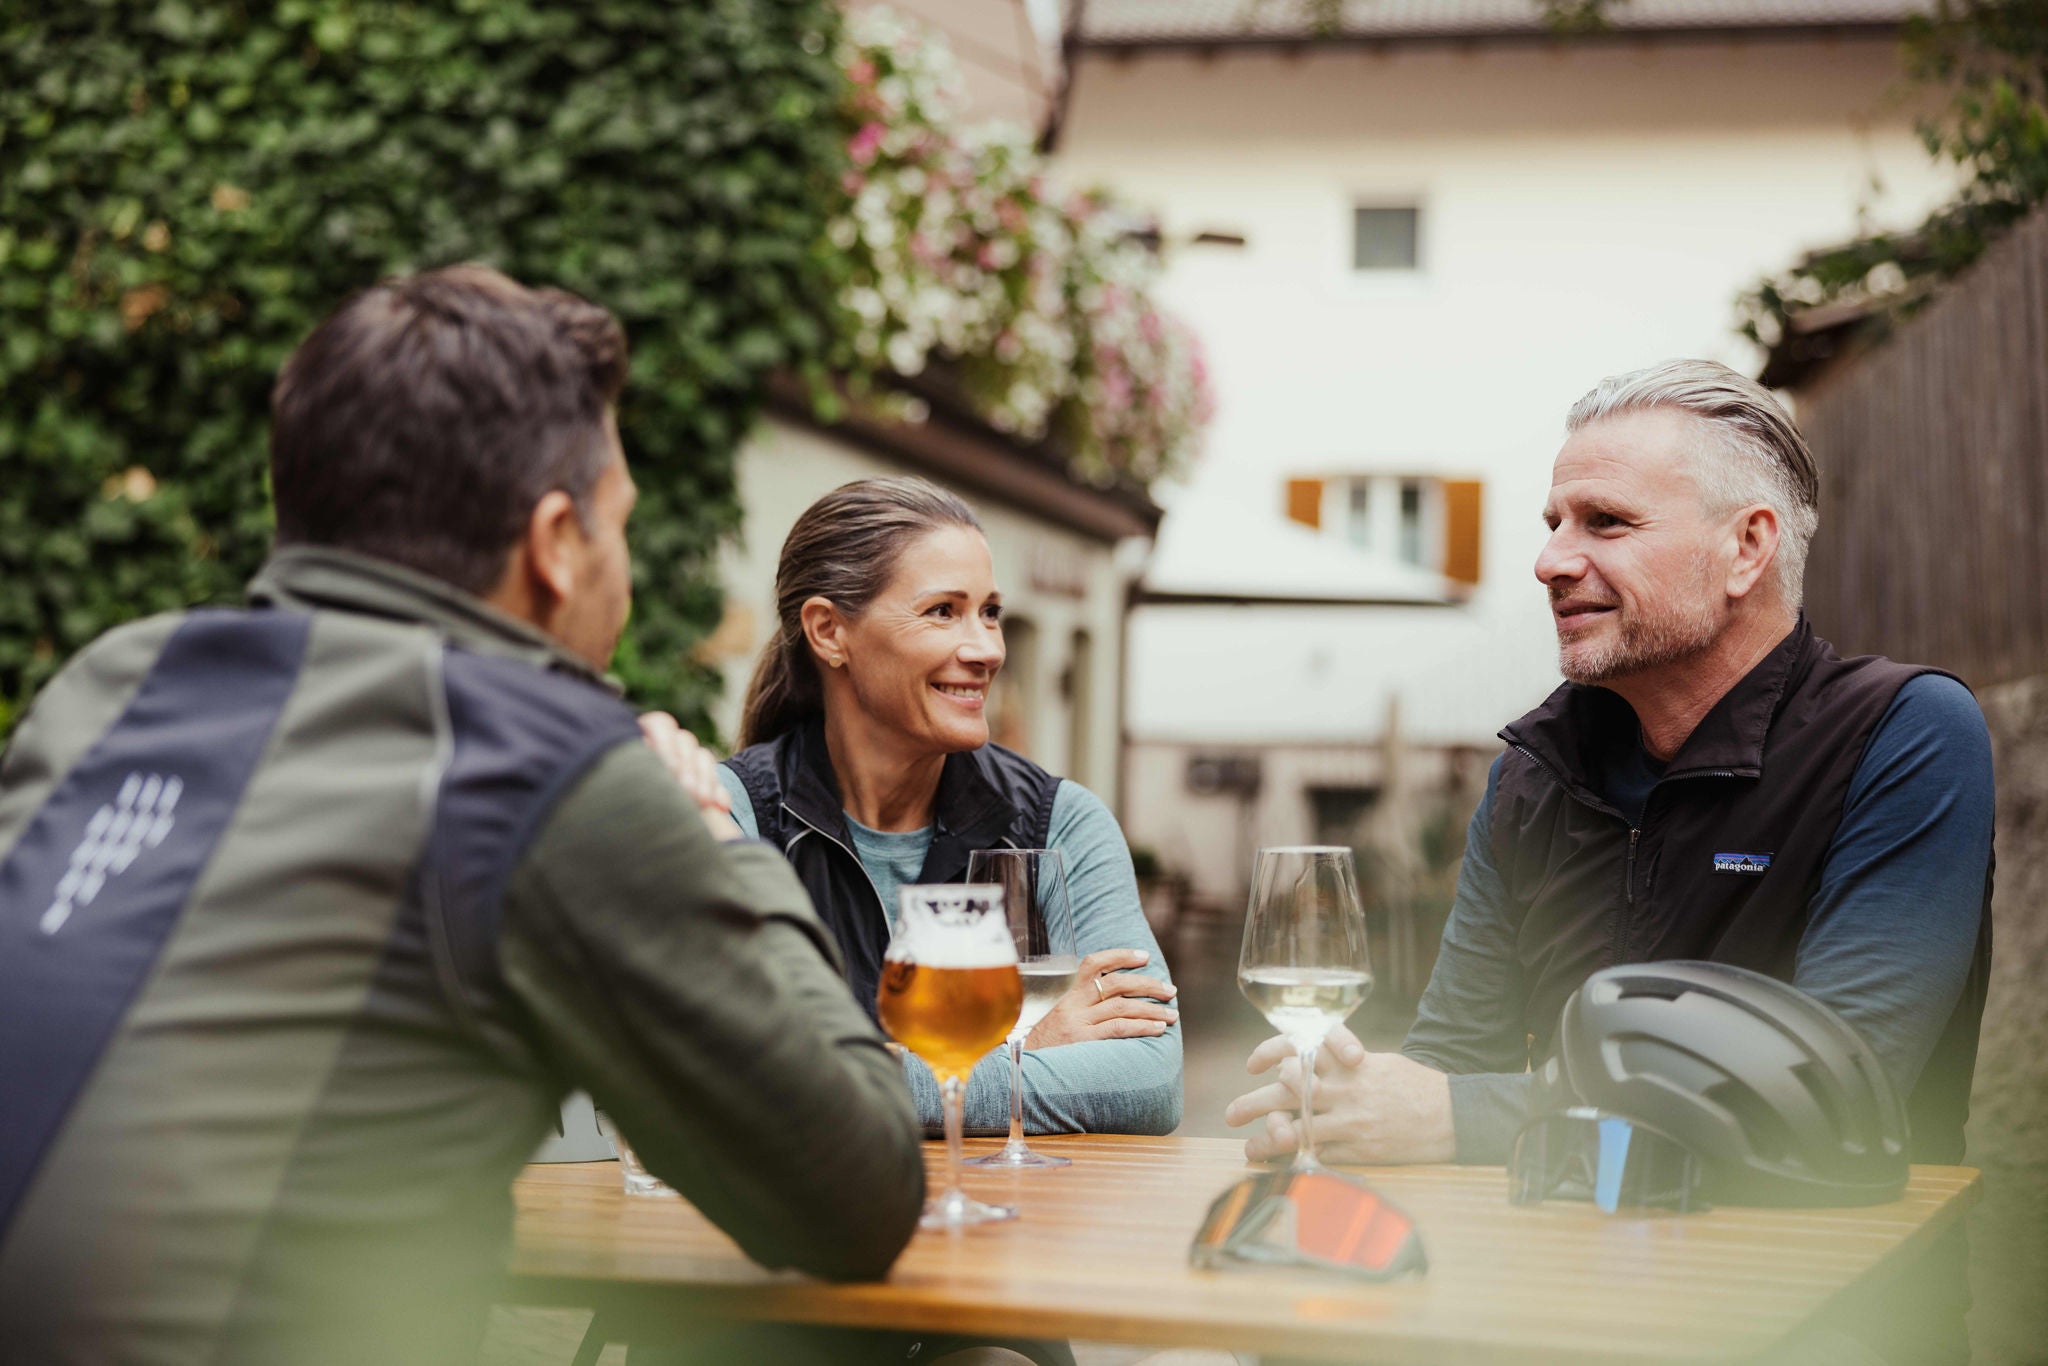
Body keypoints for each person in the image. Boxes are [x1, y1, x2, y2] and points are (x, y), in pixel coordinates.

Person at [0, 265, 925, 1366]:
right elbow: (857, 1191)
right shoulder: (537, 767)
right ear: (552, 543)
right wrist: (713, 835)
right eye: (617, 524)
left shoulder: (113, 688)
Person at [1226, 359, 1993, 1361]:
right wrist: (1352, 1100)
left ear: (1744, 547)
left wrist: (1455, 1116)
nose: (1549, 559)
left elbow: (1834, 1097)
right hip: (1546, 1305)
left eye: (1604, 522)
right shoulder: (1531, 775)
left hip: (1818, 1315)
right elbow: (1457, 1057)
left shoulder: (1902, 734)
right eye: (1551, 522)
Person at [720, 476, 1183, 1139]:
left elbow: (1150, 1079)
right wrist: (1024, 1047)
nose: (988, 649)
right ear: (829, 632)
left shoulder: (1060, 823)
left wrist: (860, 1077)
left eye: (989, 612)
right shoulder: (735, 815)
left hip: (1006, 1233)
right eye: (944, 611)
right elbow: (731, 1073)